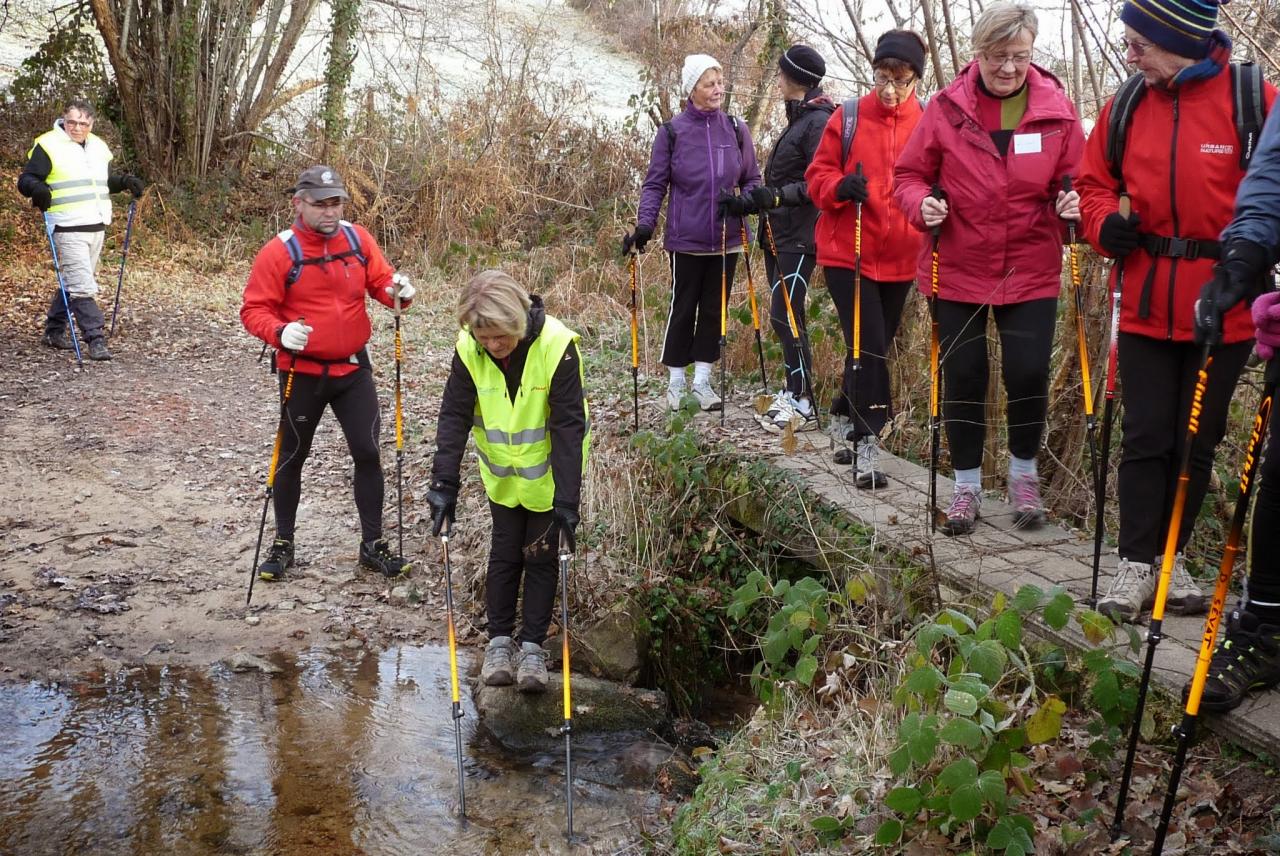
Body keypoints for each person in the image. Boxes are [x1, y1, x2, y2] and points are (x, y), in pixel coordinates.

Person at [1078, 0, 1277, 623]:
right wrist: (1103, 223)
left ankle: (1172, 558)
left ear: (1180, 39)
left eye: (1140, 42)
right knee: (1145, 435)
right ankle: (1137, 565)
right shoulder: (1127, 104)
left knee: (1198, 440)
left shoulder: (1254, 100)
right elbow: (1091, 184)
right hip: (1143, 297)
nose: (1130, 54)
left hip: (1227, 301)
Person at [894, 2, 1084, 535]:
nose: (1009, 68)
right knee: (964, 376)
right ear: (979, 54)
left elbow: (1080, 183)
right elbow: (907, 175)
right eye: (998, 56)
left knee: (1028, 374)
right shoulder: (946, 108)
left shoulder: (1059, 111)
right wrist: (921, 205)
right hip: (957, 265)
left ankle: (1024, 478)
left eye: (1019, 56)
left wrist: (1074, 207)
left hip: (1030, 266)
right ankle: (967, 486)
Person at [240, 165, 414, 582]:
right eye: (321, 204)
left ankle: (372, 544)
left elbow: (381, 283)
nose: (331, 211)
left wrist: (398, 291)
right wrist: (281, 332)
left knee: (369, 452)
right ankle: (283, 542)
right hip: (300, 371)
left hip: (353, 367)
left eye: (336, 202)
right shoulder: (278, 252)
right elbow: (252, 310)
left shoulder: (358, 238)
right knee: (293, 455)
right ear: (298, 203)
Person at [425, 270, 589, 694]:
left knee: (540, 556)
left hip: (547, 476)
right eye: (484, 338)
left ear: (517, 320)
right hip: (501, 473)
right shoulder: (469, 349)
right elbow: (454, 416)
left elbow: (570, 427)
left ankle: (533, 647)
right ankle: (499, 643)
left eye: (499, 337)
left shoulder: (558, 347)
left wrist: (568, 502)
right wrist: (444, 485)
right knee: (504, 552)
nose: (493, 346)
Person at [806, 30, 927, 486]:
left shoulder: (929, 120)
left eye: (900, 78)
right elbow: (817, 176)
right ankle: (868, 445)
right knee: (870, 347)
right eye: (882, 77)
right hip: (847, 252)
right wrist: (840, 187)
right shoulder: (849, 116)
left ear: (916, 76)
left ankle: (840, 414)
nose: (890, 88)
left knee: (867, 349)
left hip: (902, 256)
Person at [624, 54, 762, 412]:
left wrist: (743, 204)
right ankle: (676, 382)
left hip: (727, 239)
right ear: (692, 89)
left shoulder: (735, 129)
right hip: (686, 239)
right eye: (709, 84)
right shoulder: (672, 132)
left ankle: (702, 381)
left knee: (715, 310)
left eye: (720, 82)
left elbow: (752, 179)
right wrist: (644, 225)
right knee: (682, 307)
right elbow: (655, 185)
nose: (718, 89)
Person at [735, 44, 834, 434]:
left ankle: (804, 401)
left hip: (799, 234)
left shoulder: (817, 122)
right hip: (778, 231)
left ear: (794, 79)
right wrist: (749, 202)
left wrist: (774, 197)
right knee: (785, 315)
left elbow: (816, 183)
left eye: (780, 75)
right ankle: (794, 391)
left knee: (787, 314)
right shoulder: (800, 118)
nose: (777, 81)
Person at [17, 99, 145, 361]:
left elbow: (103, 182)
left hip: (97, 223)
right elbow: (26, 179)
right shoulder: (48, 144)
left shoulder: (99, 146)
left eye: (83, 123)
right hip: (66, 224)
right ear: (64, 119)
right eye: (72, 122)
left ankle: (53, 331)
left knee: (71, 280)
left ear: (92, 123)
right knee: (82, 285)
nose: (77, 128)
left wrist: (124, 182)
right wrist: (37, 189)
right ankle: (95, 339)